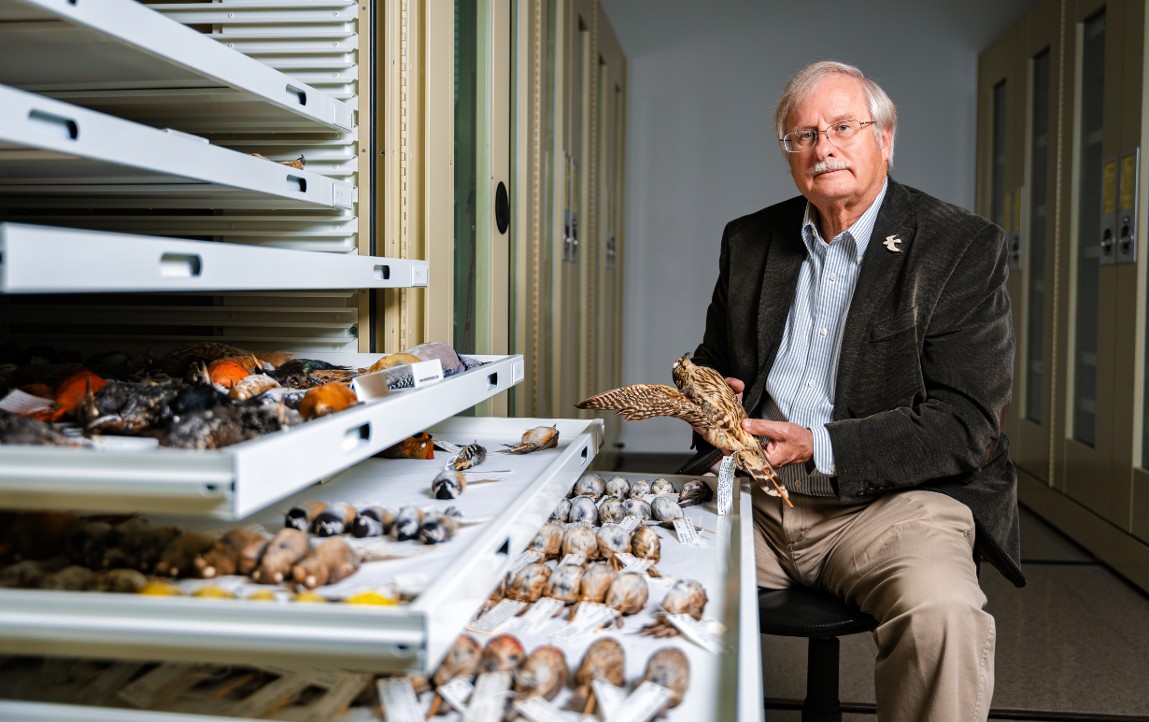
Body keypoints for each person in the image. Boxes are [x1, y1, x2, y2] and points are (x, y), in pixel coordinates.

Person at [679, 60, 1026, 721]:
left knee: (943, 616)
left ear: (884, 139)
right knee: (627, 568)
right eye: (803, 135)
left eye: (842, 126)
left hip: (897, 505)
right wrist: (708, 396)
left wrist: (819, 444)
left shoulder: (956, 246)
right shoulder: (750, 240)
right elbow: (716, 359)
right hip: (758, 496)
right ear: (788, 154)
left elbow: (965, 423)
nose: (824, 146)